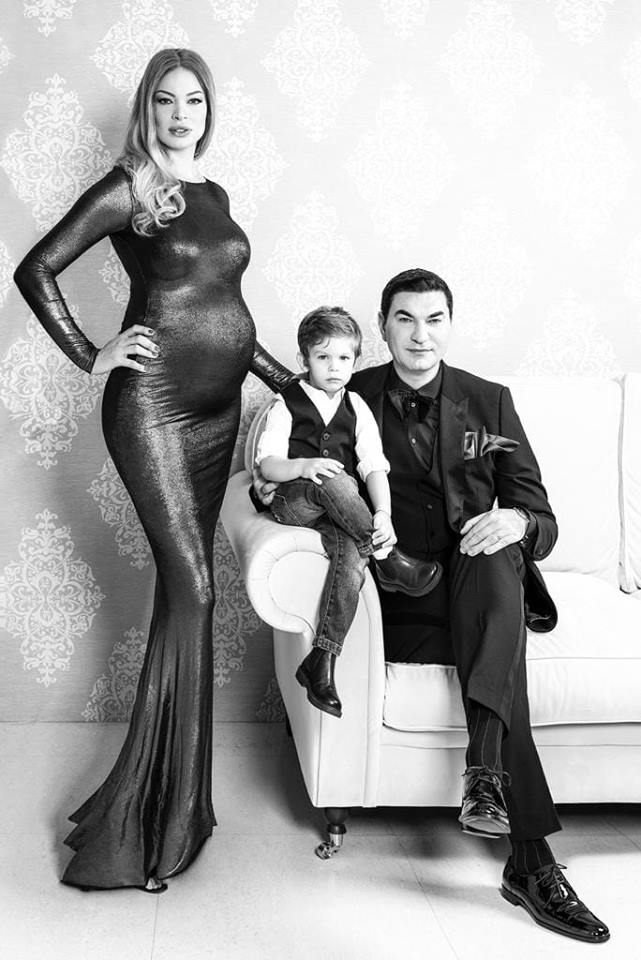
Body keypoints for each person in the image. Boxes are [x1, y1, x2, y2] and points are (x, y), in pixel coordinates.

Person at [253, 268, 609, 944]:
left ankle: (494, 794)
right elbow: (281, 471)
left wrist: (517, 521)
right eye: (405, 319)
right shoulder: (344, 392)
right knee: (500, 656)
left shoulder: (489, 403)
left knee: (495, 553)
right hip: (396, 596)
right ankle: (529, 863)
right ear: (382, 327)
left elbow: (541, 515)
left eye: (434, 318)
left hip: (476, 584)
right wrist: (283, 486)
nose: (421, 334)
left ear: (450, 324)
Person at [13, 48, 290, 892]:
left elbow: (227, 308)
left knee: (181, 594)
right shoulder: (128, 188)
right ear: (147, 109)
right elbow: (35, 266)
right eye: (165, 101)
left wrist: (294, 387)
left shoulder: (215, 194)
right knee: (197, 589)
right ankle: (153, 817)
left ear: (208, 108)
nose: (179, 114)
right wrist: (90, 351)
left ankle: (177, 807)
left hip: (218, 416)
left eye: (193, 100)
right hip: (154, 410)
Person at [256, 306, 442, 718]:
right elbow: (267, 464)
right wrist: (303, 466)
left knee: (353, 559)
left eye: (344, 358)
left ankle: (321, 662)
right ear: (305, 359)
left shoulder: (356, 406)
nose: (334, 367)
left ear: (355, 360)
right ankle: (389, 559)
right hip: (294, 502)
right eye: (323, 357)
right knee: (334, 477)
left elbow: (374, 465)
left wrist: (384, 515)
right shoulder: (286, 403)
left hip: (339, 511)